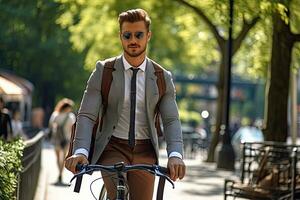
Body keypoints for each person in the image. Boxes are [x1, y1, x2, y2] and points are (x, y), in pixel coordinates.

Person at [65, 8, 185, 200]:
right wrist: (80, 152)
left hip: (146, 151)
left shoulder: (162, 77)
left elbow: (171, 120)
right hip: (113, 148)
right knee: (118, 194)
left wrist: (176, 155)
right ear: (120, 36)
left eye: (139, 35)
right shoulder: (103, 71)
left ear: (148, 36)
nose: (133, 40)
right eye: (127, 35)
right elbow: (87, 115)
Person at [49, 98, 76, 183]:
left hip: (56, 138)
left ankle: (59, 173)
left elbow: (51, 125)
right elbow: (74, 128)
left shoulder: (55, 115)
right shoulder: (71, 116)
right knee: (64, 157)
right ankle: (60, 173)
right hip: (66, 139)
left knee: (57, 157)